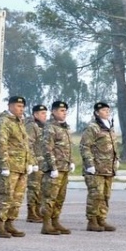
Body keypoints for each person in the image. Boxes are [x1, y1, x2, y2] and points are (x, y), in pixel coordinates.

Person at [0, 95, 34, 238]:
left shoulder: (19, 122)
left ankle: (10, 223)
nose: (21, 109)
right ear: (10, 106)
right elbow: (1, 143)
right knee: (6, 196)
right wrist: (4, 165)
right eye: (18, 106)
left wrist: (30, 162)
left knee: (17, 198)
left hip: (21, 166)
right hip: (9, 166)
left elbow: (25, 144)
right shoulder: (4, 122)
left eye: (22, 107)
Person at [81, 101, 119, 232]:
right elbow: (85, 146)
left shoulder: (109, 127)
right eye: (104, 110)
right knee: (95, 195)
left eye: (108, 110)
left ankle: (101, 219)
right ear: (97, 113)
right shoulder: (93, 127)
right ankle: (92, 220)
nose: (107, 112)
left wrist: (116, 160)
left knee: (105, 195)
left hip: (108, 168)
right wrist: (89, 164)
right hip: (96, 168)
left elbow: (114, 147)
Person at [40, 100, 75, 235]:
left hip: (64, 167)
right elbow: (47, 149)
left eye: (65, 111)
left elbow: (68, 147)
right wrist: (53, 167)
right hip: (54, 169)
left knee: (60, 197)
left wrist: (71, 161)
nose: (64, 113)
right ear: (53, 112)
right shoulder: (50, 127)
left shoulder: (65, 127)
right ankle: (46, 223)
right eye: (61, 111)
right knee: (50, 197)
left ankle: (55, 220)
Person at [25, 103, 48, 222]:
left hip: (43, 162)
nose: (45, 116)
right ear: (35, 114)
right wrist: (32, 162)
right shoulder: (32, 126)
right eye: (42, 113)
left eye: (45, 113)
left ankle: (38, 210)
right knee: (34, 187)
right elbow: (28, 144)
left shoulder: (44, 127)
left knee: (41, 188)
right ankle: (31, 212)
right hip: (36, 162)